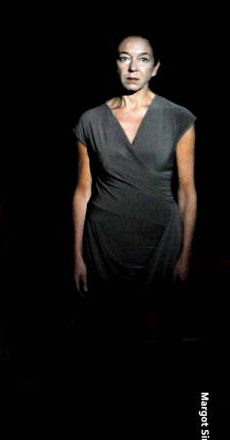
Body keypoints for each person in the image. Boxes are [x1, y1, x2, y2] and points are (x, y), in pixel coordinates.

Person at [72, 35, 196, 365]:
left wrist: (185, 255)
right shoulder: (90, 120)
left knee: (160, 340)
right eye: (124, 58)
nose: (132, 67)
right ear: (115, 64)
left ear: (155, 68)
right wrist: (77, 257)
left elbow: (187, 191)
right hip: (105, 243)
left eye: (142, 59)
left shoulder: (178, 118)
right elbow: (83, 191)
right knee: (108, 340)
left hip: (161, 241)